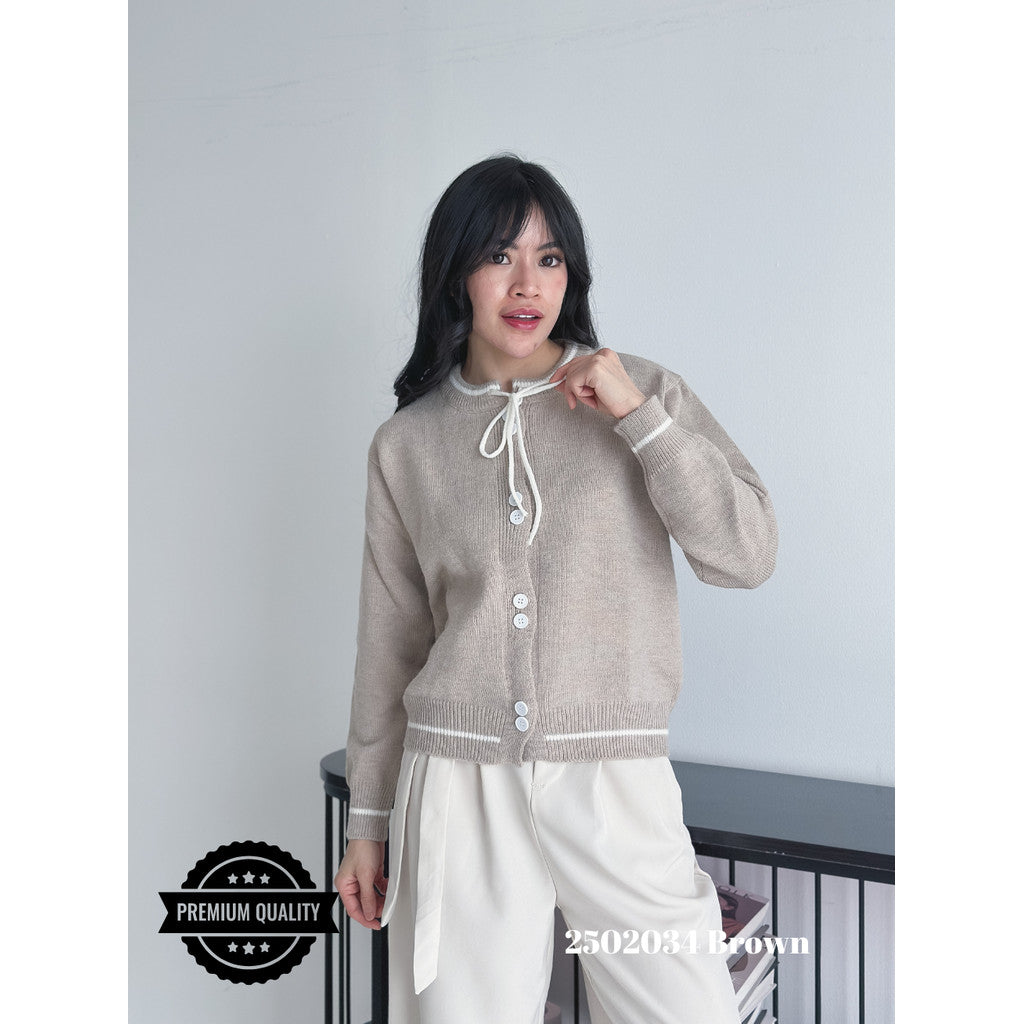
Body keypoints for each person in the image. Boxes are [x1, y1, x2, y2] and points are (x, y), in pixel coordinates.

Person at [333, 155, 778, 1024]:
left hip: (614, 774)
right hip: (456, 782)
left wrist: (638, 420)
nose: (526, 283)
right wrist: (369, 819)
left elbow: (747, 553)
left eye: (549, 257)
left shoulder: (642, 391)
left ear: (572, 273)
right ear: (455, 274)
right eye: (498, 255)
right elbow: (390, 644)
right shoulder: (407, 444)